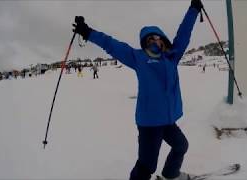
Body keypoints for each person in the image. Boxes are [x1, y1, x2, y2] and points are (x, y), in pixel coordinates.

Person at [73, 0, 203, 179]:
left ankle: (170, 174)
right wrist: (88, 32)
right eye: (149, 39)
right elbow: (111, 44)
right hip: (149, 122)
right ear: (145, 43)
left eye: (156, 37)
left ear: (163, 39)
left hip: (167, 119)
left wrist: (194, 10)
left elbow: (183, 34)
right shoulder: (138, 57)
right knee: (146, 165)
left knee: (181, 145)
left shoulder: (172, 57)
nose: (154, 41)